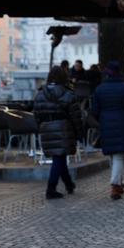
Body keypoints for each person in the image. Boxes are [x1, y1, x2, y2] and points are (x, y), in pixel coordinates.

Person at [91, 61, 124, 200]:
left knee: (113, 155)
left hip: (105, 123)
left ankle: (119, 183)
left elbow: (95, 110)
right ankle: (115, 185)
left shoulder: (99, 89)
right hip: (123, 122)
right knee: (118, 155)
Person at [33, 66, 82, 199]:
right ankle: (51, 188)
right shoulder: (68, 93)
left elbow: (36, 114)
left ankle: (69, 184)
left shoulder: (40, 94)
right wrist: (79, 132)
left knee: (59, 156)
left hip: (46, 128)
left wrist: (40, 127)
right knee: (59, 157)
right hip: (63, 127)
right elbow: (75, 115)